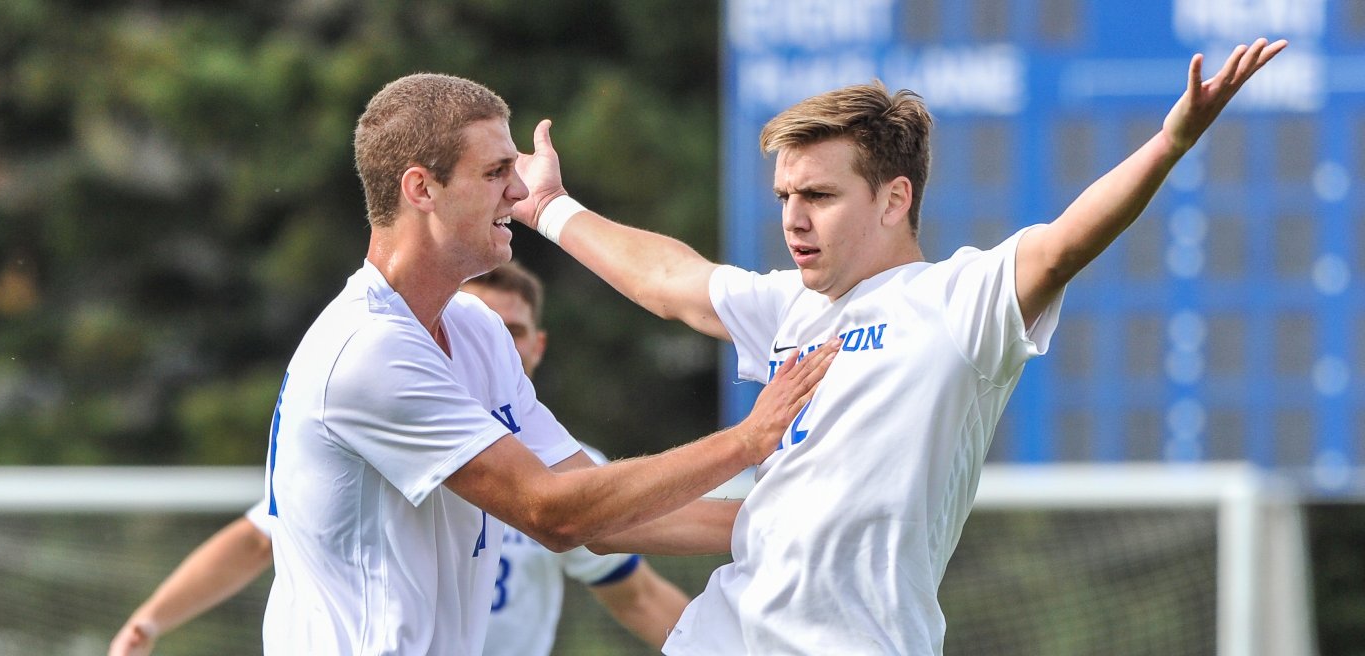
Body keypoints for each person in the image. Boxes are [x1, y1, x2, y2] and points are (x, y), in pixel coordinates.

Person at [510, 39, 1288, 655]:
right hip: (725, 636)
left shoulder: (956, 301)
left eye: (818, 194)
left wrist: (1170, 143)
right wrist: (549, 207)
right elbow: (671, 280)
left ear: (894, 197)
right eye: (785, 196)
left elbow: (1060, 247)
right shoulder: (789, 304)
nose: (793, 218)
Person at [255, 72, 838, 654]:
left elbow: (603, 513)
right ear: (421, 189)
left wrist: (810, 525)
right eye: (494, 172)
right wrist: (747, 440)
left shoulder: (476, 328)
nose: (517, 191)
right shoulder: (369, 348)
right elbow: (554, 514)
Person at [109, 261, 692, 656]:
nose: (489, 341)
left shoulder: (571, 470)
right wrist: (152, 618)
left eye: (511, 330)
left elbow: (636, 594)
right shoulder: (385, 421)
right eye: (474, 324)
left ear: (536, 347)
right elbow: (259, 536)